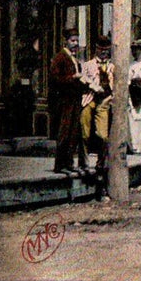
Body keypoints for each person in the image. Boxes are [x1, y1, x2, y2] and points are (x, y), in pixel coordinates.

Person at [50, 28, 89, 174]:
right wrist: (72, 78)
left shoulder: (75, 59)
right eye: (72, 41)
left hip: (75, 100)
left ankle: (69, 163)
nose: (75, 44)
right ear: (66, 42)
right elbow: (55, 79)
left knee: (73, 132)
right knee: (64, 132)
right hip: (64, 101)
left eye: (77, 41)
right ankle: (60, 165)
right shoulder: (60, 57)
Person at [80, 35, 114, 169]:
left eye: (106, 50)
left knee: (102, 135)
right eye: (101, 49)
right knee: (85, 133)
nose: (104, 52)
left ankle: (101, 163)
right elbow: (81, 79)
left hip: (104, 102)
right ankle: (84, 162)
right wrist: (91, 85)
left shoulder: (112, 67)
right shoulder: (88, 65)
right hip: (89, 99)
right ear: (96, 49)